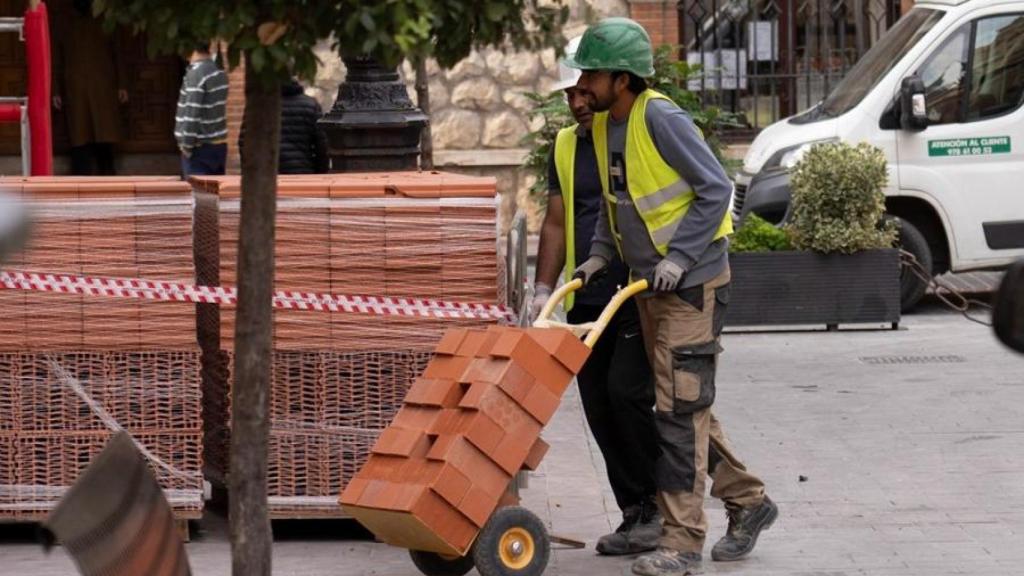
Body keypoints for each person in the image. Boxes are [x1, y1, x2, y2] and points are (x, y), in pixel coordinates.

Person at [564, 18, 778, 576]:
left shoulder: (660, 116)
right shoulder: (611, 125)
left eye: (592, 73)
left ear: (622, 77)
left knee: (678, 414)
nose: (582, 83)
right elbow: (620, 203)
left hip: (692, 286)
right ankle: (750, 501)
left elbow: (715, 188)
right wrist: (598, 256)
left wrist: (679, 256)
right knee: (683, 403)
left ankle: (682, 542)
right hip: (646, 289)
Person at [530, 36, 661, 556]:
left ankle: (662, 505)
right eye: (571, 93)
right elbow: (558, 220)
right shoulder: (565, 146)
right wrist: (543, 289)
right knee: (599, 407)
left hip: (636, 289)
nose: (580, 101)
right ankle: (634, 512)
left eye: (586, 90)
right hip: (587, 297)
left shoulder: (631, 134)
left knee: (629, 394)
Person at [51, 0, 128, 175]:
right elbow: (56, 57)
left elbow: (118, 52)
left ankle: (107, 173)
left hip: (103, 83)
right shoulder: (63, 19)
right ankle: (81, 175)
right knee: (79, 134)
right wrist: (55, 90)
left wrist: (122, 84)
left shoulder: (105, 17)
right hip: (75, 85)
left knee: (104, 132)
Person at [239, 78, 329, 174]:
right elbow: (322, 146)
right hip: (302, 173)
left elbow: (244, 142)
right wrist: (319, 172)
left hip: (265, 174)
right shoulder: (311, 105)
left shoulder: (257, 105)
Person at [175, 44, 228, 178]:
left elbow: (192, 113)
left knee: (197, 194)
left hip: (199, 147)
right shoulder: (218, 70)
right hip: (219, 143)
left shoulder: (196, 73)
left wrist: (186, 146)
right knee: (214, 194)